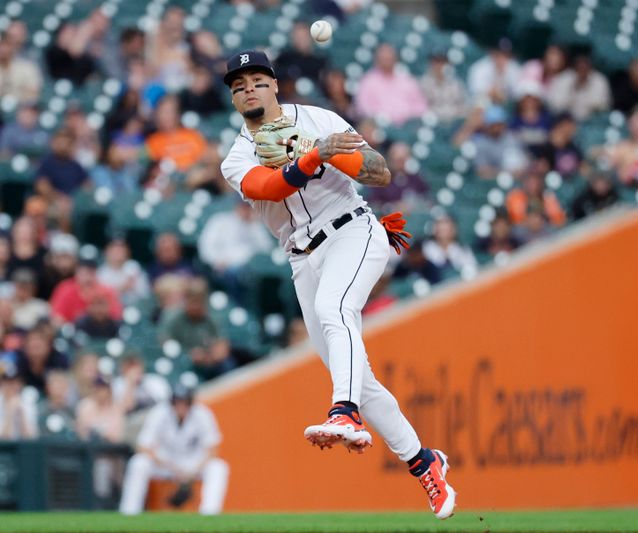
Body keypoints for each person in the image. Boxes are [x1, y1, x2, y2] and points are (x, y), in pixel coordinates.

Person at [218, 49, 457, 518]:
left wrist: (335, 154)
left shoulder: (318, 117)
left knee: (335, 312)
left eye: (257, 79)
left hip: (353, 229)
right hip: (302, 258)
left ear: (275, 85)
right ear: (232, 97)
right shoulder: (237, 155)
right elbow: (269, 188)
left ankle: (343, 412)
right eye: (238, 83)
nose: (248, 88)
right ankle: (424, 463)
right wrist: (313, 157)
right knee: (355, 372)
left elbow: (379, 171)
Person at [119, 384, 229, 515]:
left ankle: (210, 514)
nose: (180, 405)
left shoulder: (202, 413)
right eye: (177, 401)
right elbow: (143, 447)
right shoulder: (160, 412)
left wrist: (192, 472)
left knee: (218, 467)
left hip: (193, 464)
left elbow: (213, 450)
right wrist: (172, 468)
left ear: (190, 402)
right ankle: (129, 512)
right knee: (139, 462)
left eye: (184, 402)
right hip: (166, 462)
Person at [354, 43, 428, 126]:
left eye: (389, 58)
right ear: (377, 60)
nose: (387, 61)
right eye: (384, 59)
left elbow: (420, 105)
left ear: (395, 59)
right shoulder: (368, 81)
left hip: (407, 126)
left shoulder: (407, 80)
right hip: (379, 126)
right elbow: (363, 108)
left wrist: (409, 118)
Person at [546, 53, 610, 121]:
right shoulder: (564, 78)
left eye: (585, 67)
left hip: (593, 121)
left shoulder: (600, 80)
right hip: (565, 120)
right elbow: (555, 105)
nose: (582, 71)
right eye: (579, 68)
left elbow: (602, 106)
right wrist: (573, 89)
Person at [0, 361, 38, 439]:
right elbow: (4, 439)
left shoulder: (28, 401)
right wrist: (10, 413)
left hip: (22, 449)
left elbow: (30, 439)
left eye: (15, 383)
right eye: (8, 382)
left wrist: (21, 413)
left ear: (21, 384)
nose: (12, 387)